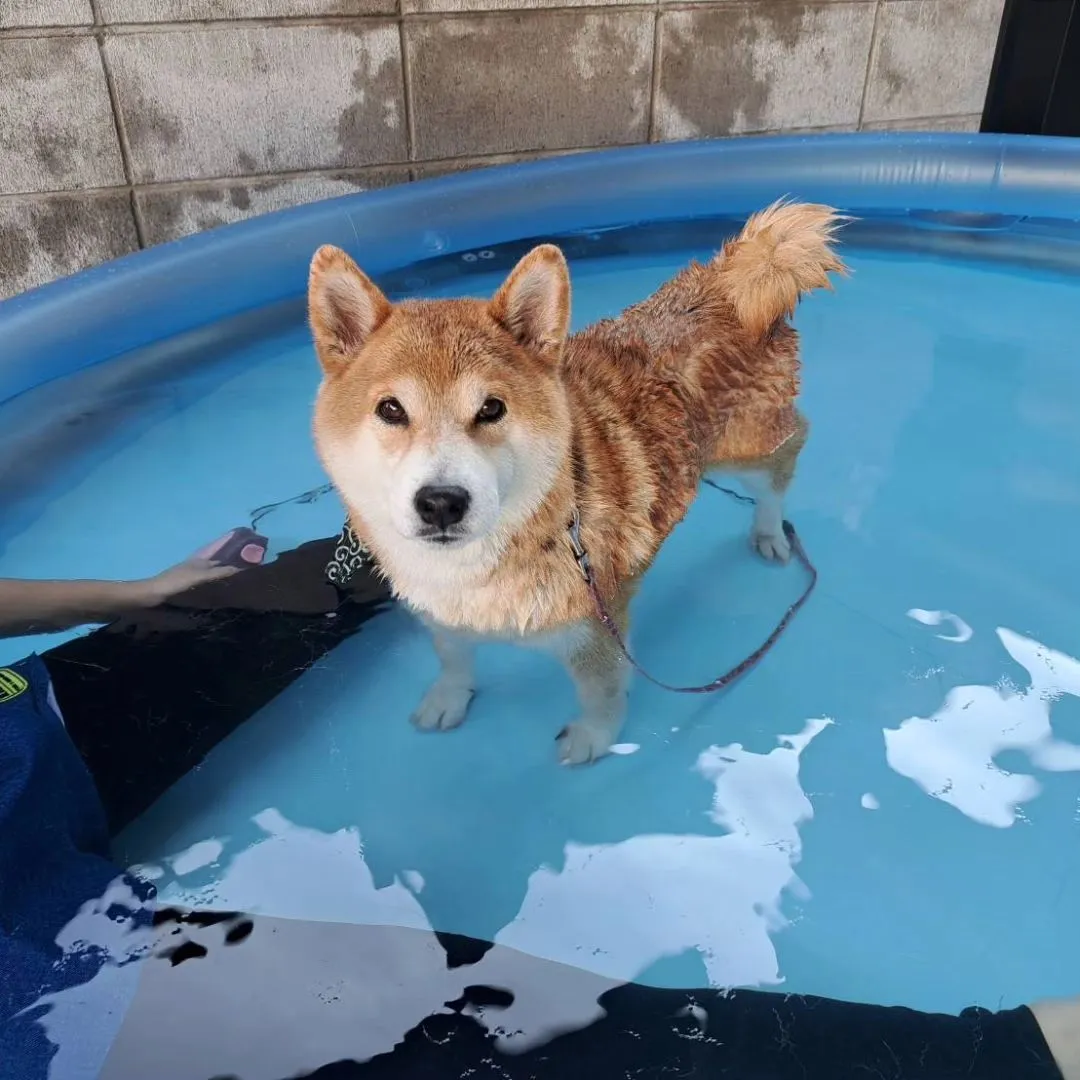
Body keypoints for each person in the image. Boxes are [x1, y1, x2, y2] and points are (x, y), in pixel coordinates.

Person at [0, 534, 1077, 1079]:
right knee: (505, 1027)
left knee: (335, 566)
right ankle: (1016, 1063)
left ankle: (375, 541)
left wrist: (140, 598)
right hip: (38, 992)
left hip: (21, 743)